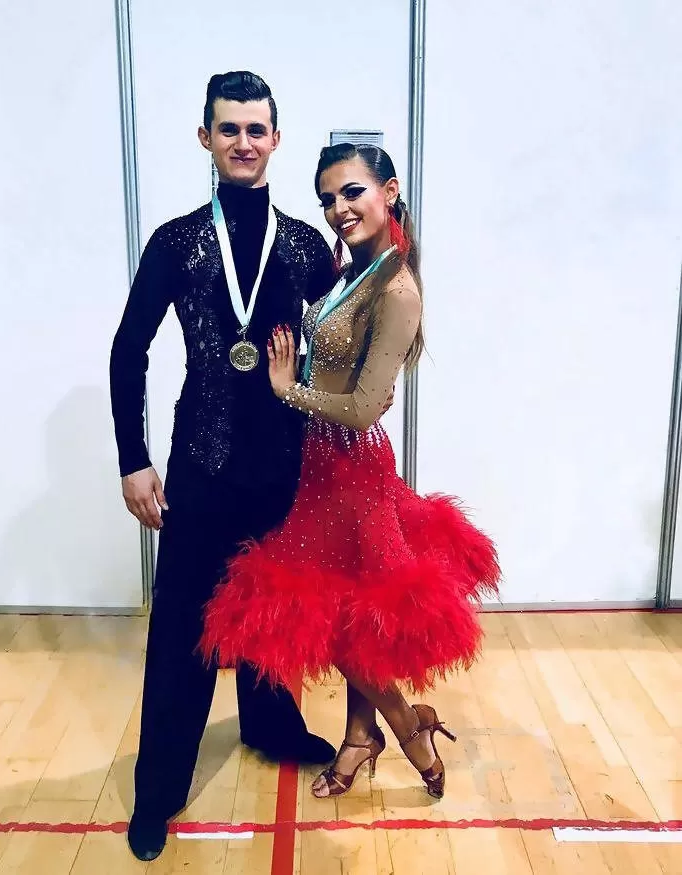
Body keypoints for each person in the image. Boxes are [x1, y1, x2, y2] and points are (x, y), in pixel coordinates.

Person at [200, 143, 501, 801]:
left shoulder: (396, 287)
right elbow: (339, 366)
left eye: (352, 192)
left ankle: (404, 728)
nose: (338, 209)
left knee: (343, 621)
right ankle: (360, 737)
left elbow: (365, 407)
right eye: (328, 198)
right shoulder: (356, 268)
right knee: (343, 609)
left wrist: (288, 389)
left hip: (352, 471)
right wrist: (299, 371)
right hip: (319, 464)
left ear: (389, 191)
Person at [109, 71, 344, 862]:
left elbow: (346, 343)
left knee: (275, 612)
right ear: (205, 138)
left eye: (256, 129)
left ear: (276, 139)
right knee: (182, 627)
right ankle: (159, 787)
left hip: (283, 467)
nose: (243, 142)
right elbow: (128, 348)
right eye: (228, 128)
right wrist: (134, 458)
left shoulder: (309, 246)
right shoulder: (177, 242)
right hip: (202, 467)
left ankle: (271, 726)